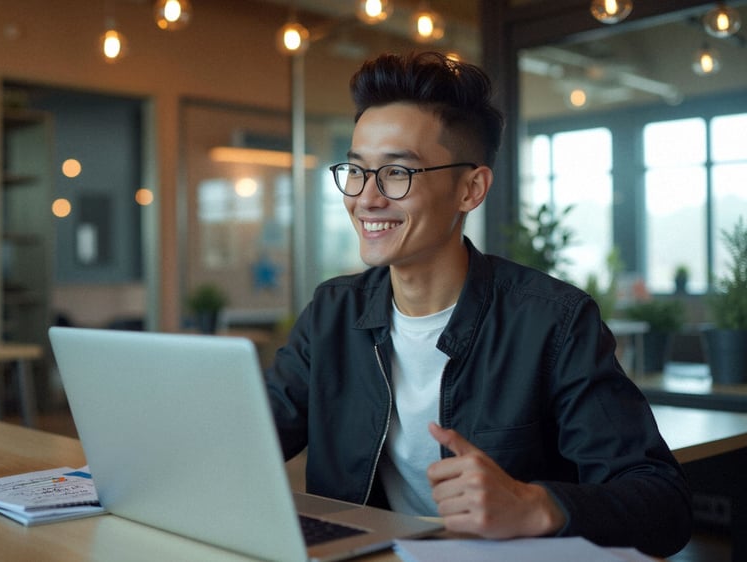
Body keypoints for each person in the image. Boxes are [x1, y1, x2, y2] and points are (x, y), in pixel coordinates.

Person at [264, 51, 691, 558]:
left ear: (471, 188)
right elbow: (251, 436)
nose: (366, 199)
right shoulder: (332, 313)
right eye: (356, 172)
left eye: (397, 173)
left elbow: (664, 503)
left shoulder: (553, 320)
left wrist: (536, 506)